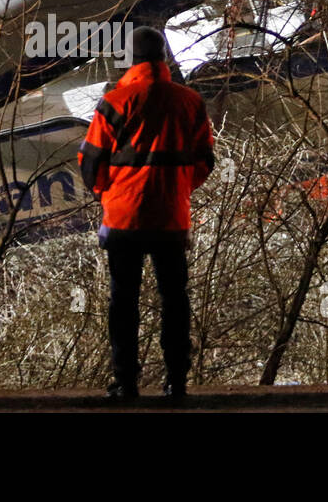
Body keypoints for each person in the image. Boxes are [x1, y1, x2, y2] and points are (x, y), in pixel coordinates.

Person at [77, 26, 215, 402]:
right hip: (171, 217)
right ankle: (176, 382)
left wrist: (109, 193)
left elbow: (90, 161)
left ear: (130, 60)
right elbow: (205, 159)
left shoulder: (115, 101)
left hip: (123, 218)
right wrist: (178, 189)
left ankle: (125, 383)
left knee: (123, 300)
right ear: (164, 58)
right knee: (175, 298)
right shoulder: (190, 101)